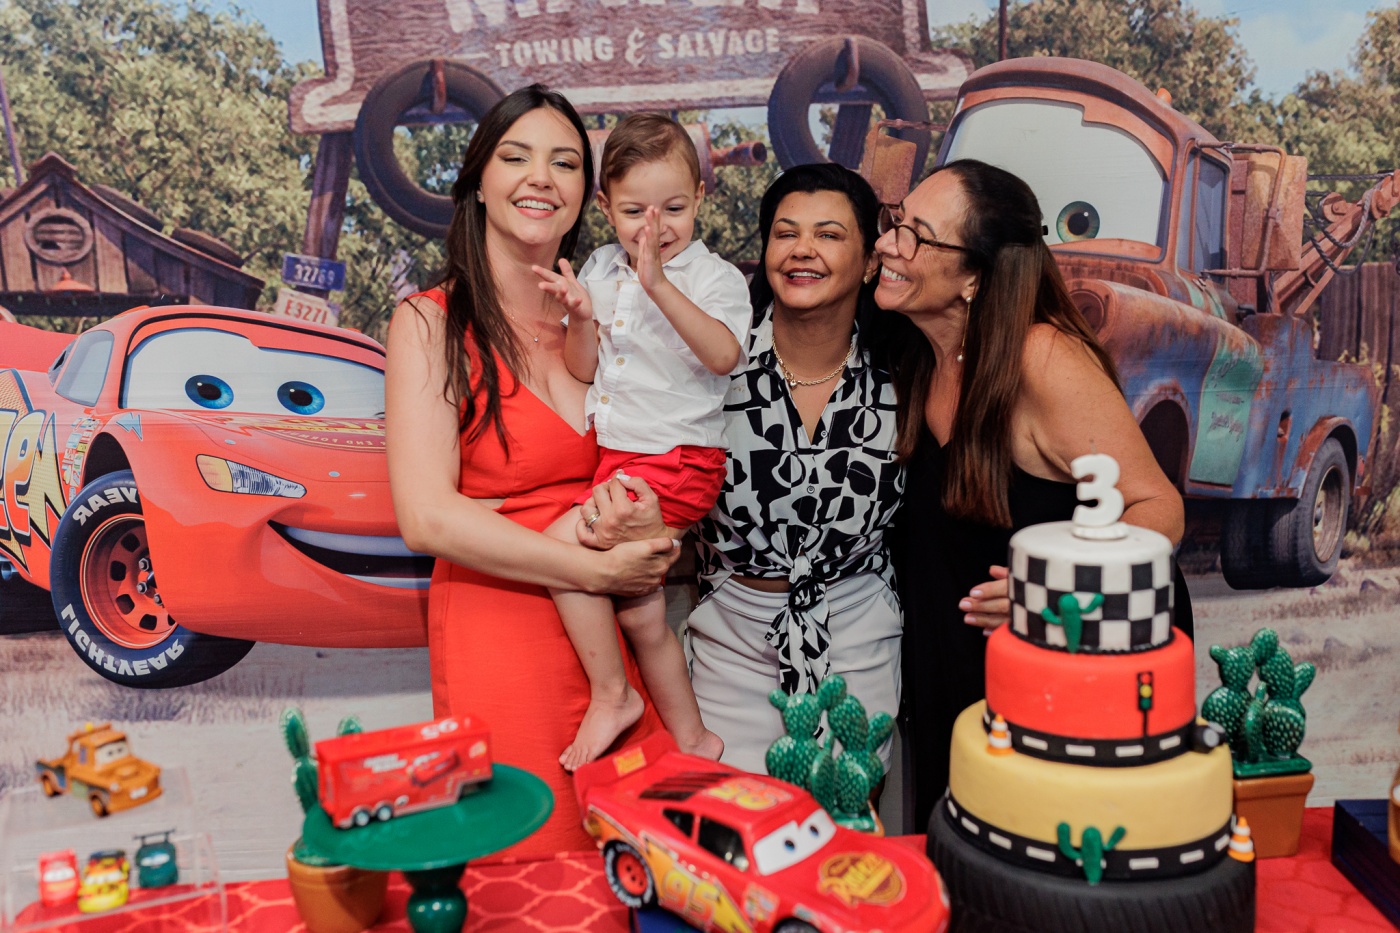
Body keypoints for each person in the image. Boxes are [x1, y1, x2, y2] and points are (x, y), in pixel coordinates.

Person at [384, 85, 679, 857]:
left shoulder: (599, 320)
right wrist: (596, 569)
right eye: (516, 157)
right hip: (502, 630)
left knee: (637, 867)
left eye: (566, 163)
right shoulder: (429, 322)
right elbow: (426, 516)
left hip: (613, 636)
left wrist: (646, 533)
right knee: (529, 863)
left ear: (586, 193)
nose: (542, 177)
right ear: (479, 181)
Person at [875, 158, 1193, 832]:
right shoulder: (916, 354)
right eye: (895, 221)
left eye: (916, 235)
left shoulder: (1041, 357)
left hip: (1069, 675)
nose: (888, 244)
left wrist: (1054, 592)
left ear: (974, 278)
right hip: (959, 675)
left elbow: (1159, 510)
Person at [532, 113, 747, 770]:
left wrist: (658, 283)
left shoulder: (712, 277)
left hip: (678, 460)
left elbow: (723, 355)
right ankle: (695, 739)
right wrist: (581, 317)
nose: (655, 229)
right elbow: (583, 369)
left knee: (558, 551)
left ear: (700, 197)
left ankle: (613, 694)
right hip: (621, 462)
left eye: (673, 209)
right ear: (604, 207)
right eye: (634, 212)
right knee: (639, 615)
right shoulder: (600, 266)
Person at [688, 163, 905, 776]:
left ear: (870, 261)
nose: (802, 249)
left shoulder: (906, 372)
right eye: (786, 233)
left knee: (845, 823)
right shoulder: (713, 362)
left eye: (829, 234)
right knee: (737, 827)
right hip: (731, 641)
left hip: (860, 633)